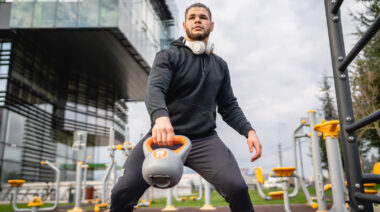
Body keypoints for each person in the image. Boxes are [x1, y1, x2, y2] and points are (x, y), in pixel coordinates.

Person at [110, 3, 262, 212]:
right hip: (164, 138)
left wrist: (248, 130)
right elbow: (155, 89)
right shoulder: (168, 56)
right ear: (184, 25)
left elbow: (228, 105)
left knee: (237, 188)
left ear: (211, 25)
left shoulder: (220, 66)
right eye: (192, 17)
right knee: (122, 191)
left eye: (202, 17)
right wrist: (161, 118)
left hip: (204, 140)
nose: (197, 20)